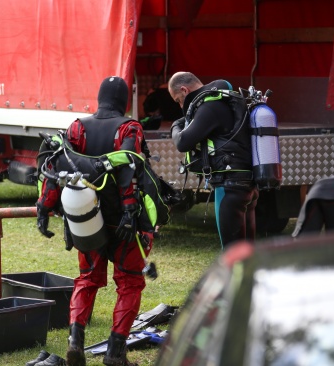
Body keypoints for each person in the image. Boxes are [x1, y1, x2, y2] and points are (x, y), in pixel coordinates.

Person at [36, 76, 151, 366]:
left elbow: (58, 166)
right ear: (124, 100)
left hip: (88, 219)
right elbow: (128, 167)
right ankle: (115, 353)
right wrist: (128, 210)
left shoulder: (77, 127)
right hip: (124, 222)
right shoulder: (130, 127)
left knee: (87, 279)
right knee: (130, 283)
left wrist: (43, 206)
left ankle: (75, 341)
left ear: (99, 97)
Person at [168, 71, 258, 248]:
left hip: (230, 186)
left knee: (232, 253)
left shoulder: (210, 106)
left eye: (178, 100)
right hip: (247, 183)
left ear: (184, 90)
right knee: (247, 253)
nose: (181, 106)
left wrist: (175, 126)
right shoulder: (224, 101)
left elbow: (183, 142)